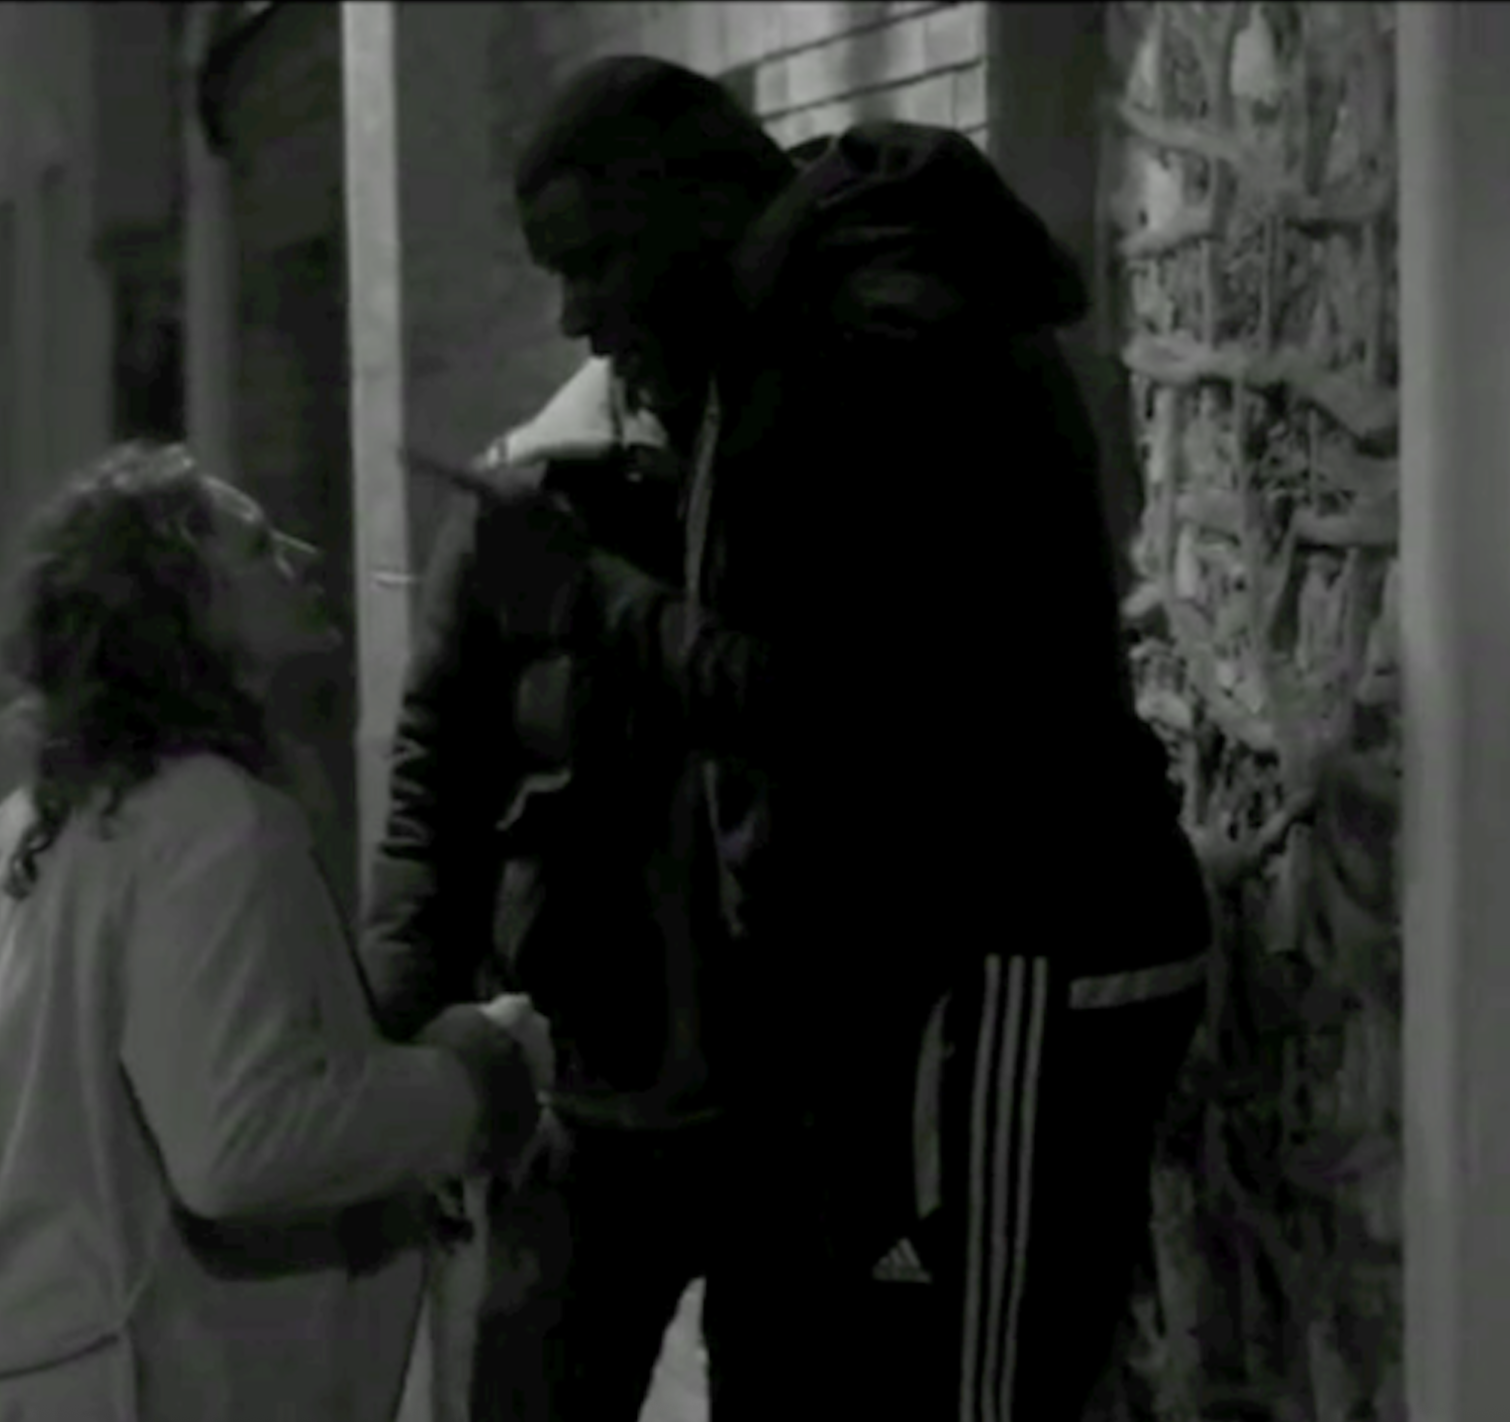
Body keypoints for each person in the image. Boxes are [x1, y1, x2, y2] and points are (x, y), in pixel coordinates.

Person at [453, 56, 1215, 1419]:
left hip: (1007, 962)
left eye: (593, 262)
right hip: (930, 995)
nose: (577, 317)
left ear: (693, 203)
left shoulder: (878, 340)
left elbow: (846, 703)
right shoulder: (787, 331)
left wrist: (590, 600)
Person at [0, 442, 559, 1422]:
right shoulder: (211, 820)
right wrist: (472, 1080)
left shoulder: (5, 841)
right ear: (182, 613)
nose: (303, 555)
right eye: (256, 547)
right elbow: (241, 1144)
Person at [364, 353, 731, 1422]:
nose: (580, 313)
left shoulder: (791, 471)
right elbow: (433, 803)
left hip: (782, 1102)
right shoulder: (526, 495)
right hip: (580, 1094)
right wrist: (401, 1065)